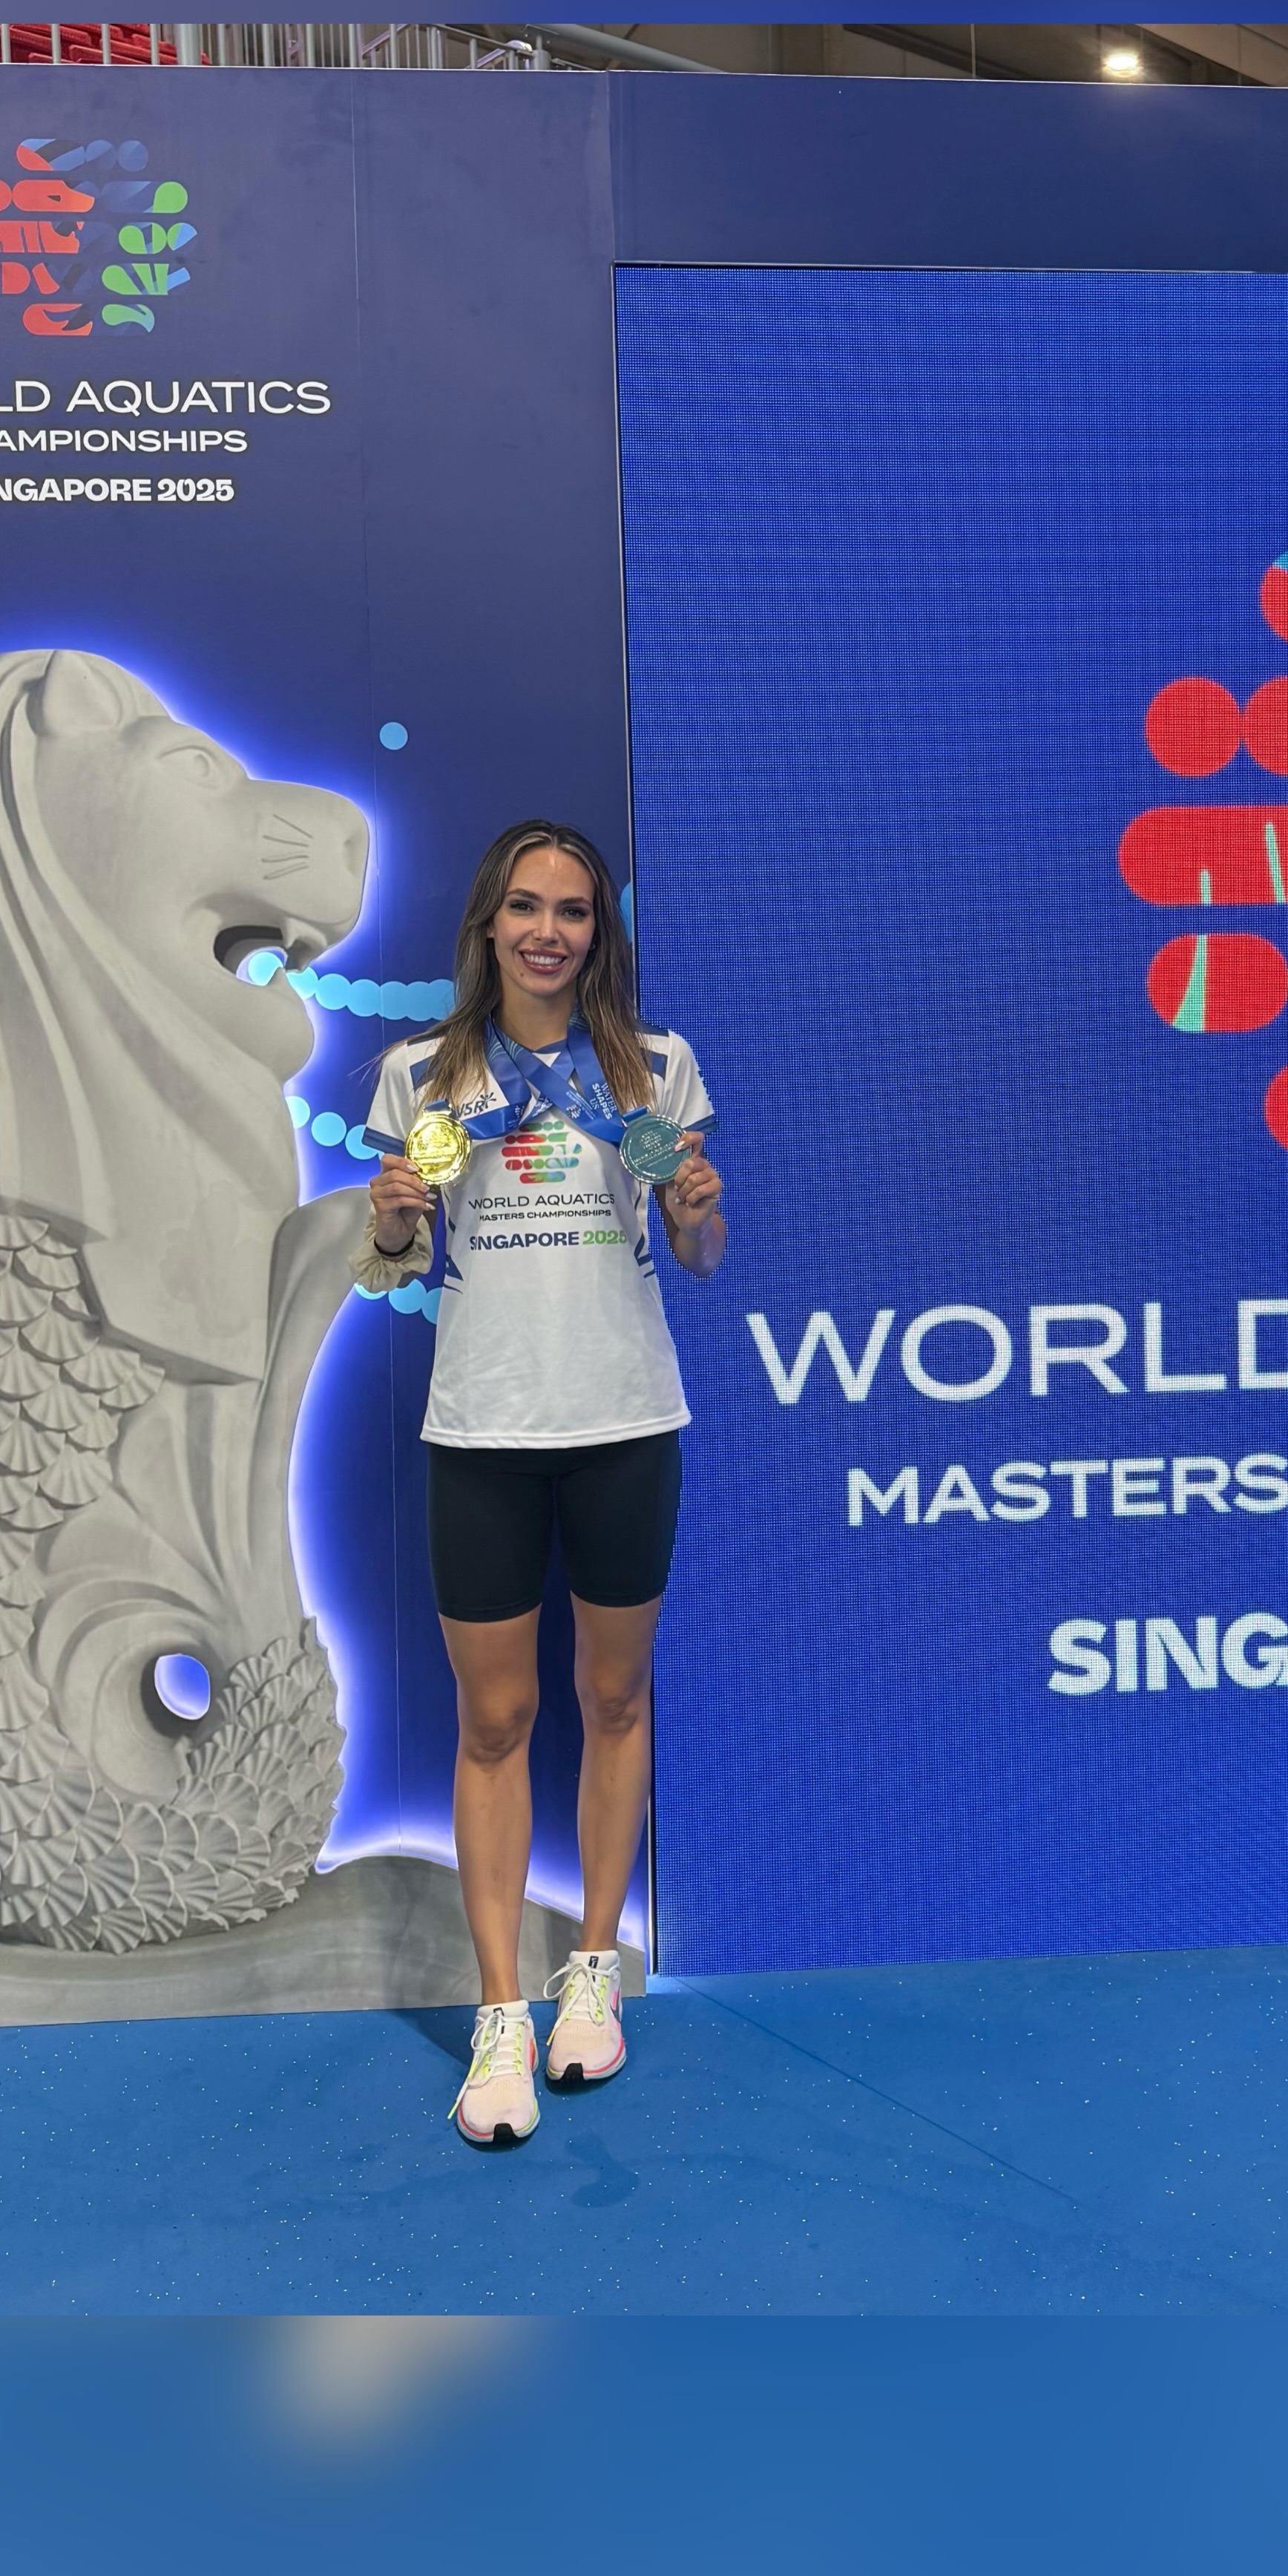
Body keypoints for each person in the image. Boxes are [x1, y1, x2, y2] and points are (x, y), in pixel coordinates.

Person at [359, 819, 724, 2148]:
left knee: (614, 1697)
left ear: (596, 934)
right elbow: (393, 1261)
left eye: (572, 910)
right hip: (483, 1429)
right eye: (526, 906)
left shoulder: (655, 1067)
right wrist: (391, 1220)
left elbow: (701, 1254)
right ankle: (501, 2010)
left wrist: (695, 1210)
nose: (548, 930)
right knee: (496, 1719)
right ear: (488, 922)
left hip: (625, 1419)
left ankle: (595, 1975)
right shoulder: (423, 1073)